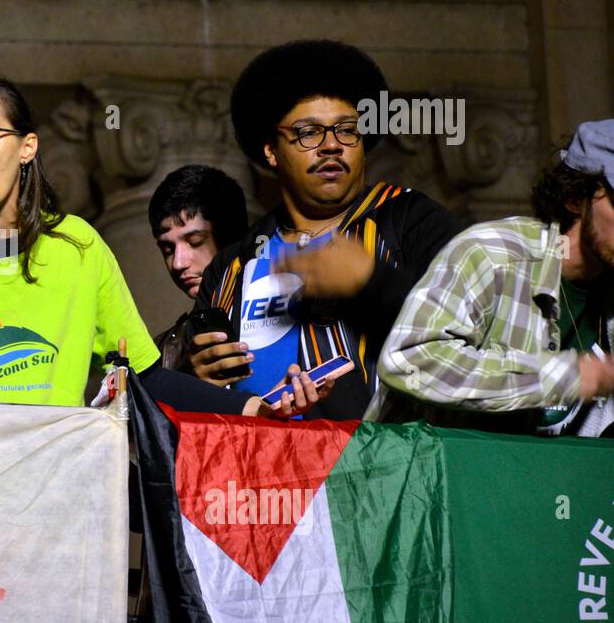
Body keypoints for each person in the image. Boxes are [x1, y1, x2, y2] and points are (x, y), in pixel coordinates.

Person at [0, 72, 327, 417]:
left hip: (47, 504)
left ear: (27, 148)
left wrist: (255, 407)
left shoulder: (74, 246)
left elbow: (144, 378)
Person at [182, 39, 462, 419]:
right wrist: (198, 379)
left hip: (388, 465)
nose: (331, 145)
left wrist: (370, 283)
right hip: (260, 471)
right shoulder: (233, 264)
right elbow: (198, 396)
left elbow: (467, 335)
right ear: (271, 150)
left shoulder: (410, 221)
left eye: (347, 130)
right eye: (308, 133)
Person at [369, 120, 614, 434]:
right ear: (575, 197)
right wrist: (563, 377)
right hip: (430, 473)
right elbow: (407, 361)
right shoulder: (492, 255)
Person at [148, 164, 248, 369]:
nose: (178, 263)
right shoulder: (164, 349)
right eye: (167, 249)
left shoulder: (279, 311)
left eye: (195, 242)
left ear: (231, 236)